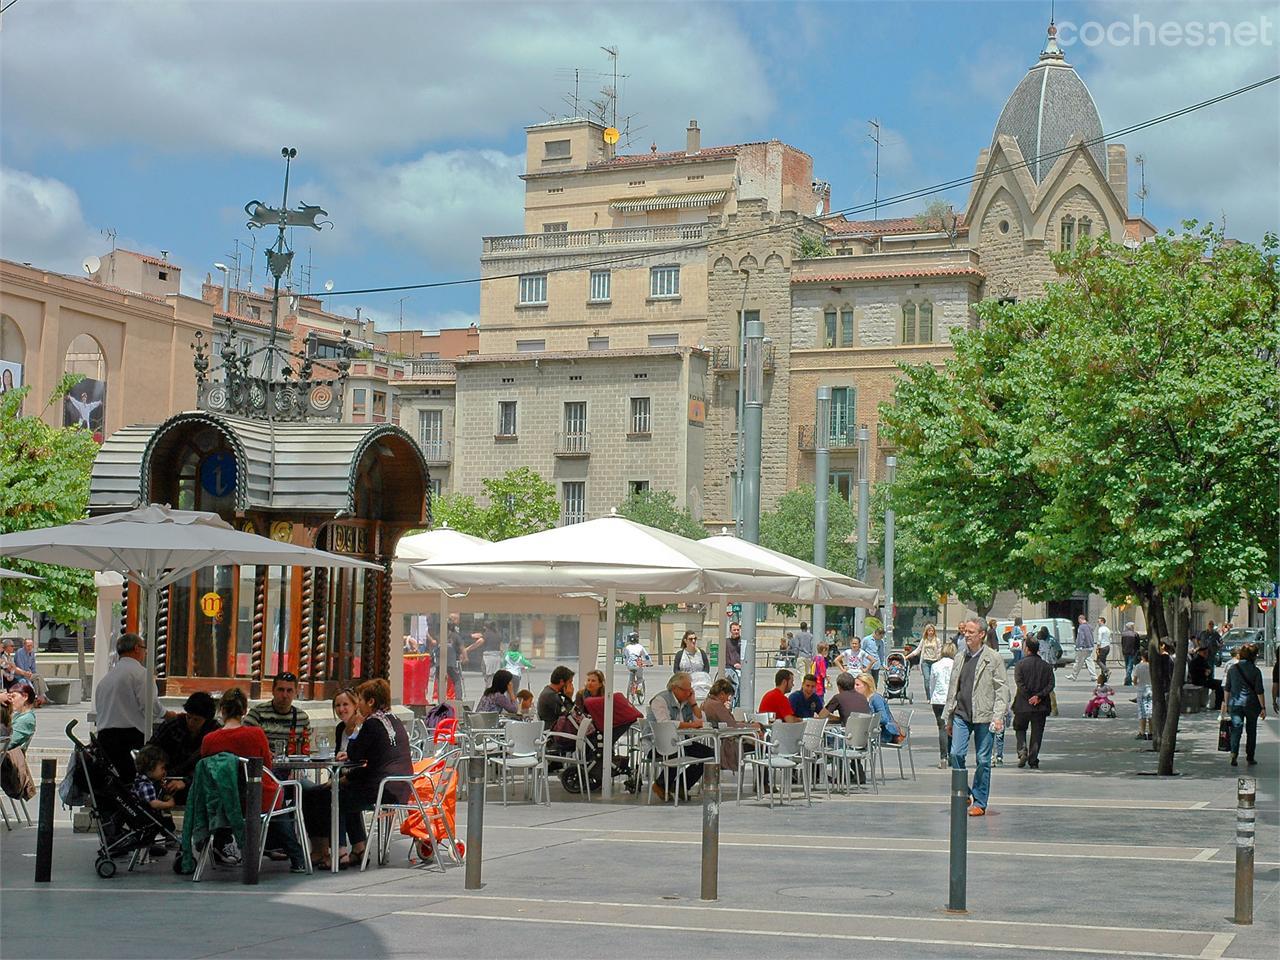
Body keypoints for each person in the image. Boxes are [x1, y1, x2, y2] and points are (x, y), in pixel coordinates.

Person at [304, 678, 412, 869]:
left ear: (370, 701)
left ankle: (339, 853)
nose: (358, 703)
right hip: (399, 786)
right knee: (346, 791)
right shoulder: (394, 719)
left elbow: (354, 752)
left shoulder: (371, 723)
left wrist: (358, 730)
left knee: (335, 797)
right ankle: (359, 848)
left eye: (360, 699)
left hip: (382, 789)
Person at [199, 687, 279, 868]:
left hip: (219, 803)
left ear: (222, 710)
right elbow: (267, 767)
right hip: (253, 801)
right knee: (288, 790)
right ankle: (287, 849)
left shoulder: (209, 740)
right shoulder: (256, 734)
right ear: (244, 711)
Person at [943, 617, 1010, 817]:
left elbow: (1002, 689)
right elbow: (953, 688)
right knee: (955, 754)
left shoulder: (993, 658)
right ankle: (965, 792)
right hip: (961, 714)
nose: (967, 635)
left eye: (971, 632)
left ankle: (980, 801)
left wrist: (998, 716)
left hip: (985, 715)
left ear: (981, 634)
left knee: (983, 760)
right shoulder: (959, 657)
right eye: (966, 631)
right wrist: (949, 718)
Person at [94, 633, 176, 779]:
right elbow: (150, 704)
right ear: (137, 648)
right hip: (130, 738)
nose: (145, 653)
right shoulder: (140, 674)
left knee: (115, 781)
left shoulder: (106, 679)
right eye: (144, 649)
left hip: (104, 738)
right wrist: (167, 714)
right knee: (132, 779)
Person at [645, 673, 711, 801]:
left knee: (708, 754)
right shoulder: (660, 700)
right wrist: (689, 725)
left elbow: (701, 720)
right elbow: (665, 723)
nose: (688, 693)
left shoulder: (687, 702)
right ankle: (660, 784)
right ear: (674, 688)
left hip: (681, 742)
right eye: (686, 690)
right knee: (678, 753)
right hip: (658, 744)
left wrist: (693, 704)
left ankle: (680, 785)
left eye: (690, 690)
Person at [147, 691, 219, 798]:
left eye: (196, 720)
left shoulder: (214, 733)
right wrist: (157, 770)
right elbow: (150, 750)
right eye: (188, 717)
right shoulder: (173, 725)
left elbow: (213, 766)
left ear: (207, 720)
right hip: (165, 780)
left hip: (198, 786)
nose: (191, 722)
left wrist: (186, 782)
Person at [1011, 636, 1054, 769]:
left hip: (1023, 705)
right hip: (1040, 706)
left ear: (1027, 649)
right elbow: (1051, 684)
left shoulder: (1020, 665)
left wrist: (1030, 696)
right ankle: (1033, 758)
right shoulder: (1046, 666)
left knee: (1019, 728)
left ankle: (1022, 751)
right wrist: (1039, 696)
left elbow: (1020, 683)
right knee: (1037, 732)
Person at [245, 672, 311, 756]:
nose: (284, 695)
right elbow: (245, 742)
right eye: (280, 690)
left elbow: (305, 749)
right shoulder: (257, 713)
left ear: (295, 692)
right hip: (264, 765)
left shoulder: (302, 718)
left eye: (289, 691)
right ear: (273, 691)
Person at [1222, 644, 1266, 767]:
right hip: (1252, 704)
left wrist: (1226, 704)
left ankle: (1233, 754)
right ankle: (1250, 757)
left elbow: (1227, 688)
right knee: (1251, 731)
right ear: (1253, 657)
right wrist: (1263, 707)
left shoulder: (1233, 669)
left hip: (1235, 704)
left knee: (1236, 729)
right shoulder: (1256, 671)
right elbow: (1259, 691)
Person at [700, 678, 754, 772]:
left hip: (717, 741)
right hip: (725, 743)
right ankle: (763, 782)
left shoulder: (707, 703)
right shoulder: (716, 706)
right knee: (761, 745)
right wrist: (751, 726)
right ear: (721, 694)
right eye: (728, 696)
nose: (728, 699)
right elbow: (732, 726)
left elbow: (728, 723)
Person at [131, 744, 178, 842]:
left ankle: (169, 835)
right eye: (162, 768)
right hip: (147, 817)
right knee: (165, 815)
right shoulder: (146, 785)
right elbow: (154, 803)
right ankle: (170, 835)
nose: (164, 771)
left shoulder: (140, 780)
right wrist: (168, 804)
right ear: (151, 768)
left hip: (142, 814)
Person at [929, 641, 957, 768]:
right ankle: (952, 755)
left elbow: (932, 684)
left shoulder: (935, 665)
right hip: (952, 699)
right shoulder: (956, 664)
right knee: (953, 727)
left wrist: (931, 696)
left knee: (942, 728)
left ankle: (943, 757)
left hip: (938, 699)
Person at [855, 672, 902, 742]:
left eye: (857, 685)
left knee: (853, 740)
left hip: (885, 734)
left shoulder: (876, 698)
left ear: (866, 686)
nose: (854, 687)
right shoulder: (864, 699)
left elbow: (884, 718)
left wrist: (868, 720)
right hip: (874, 732)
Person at [904, 623, 943, 695]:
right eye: (929, 631)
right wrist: (907, 656)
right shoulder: (924, 640)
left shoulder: (937, 640)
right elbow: (917, 650)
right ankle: (928, 696)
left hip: (935, 662)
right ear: (926, 632)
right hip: (925, 662)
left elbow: (939, 651)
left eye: (932, 630)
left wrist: (939, 660)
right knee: (927, 679)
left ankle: (933, 695)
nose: (931, 632)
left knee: (934, 680)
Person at [1187, 643, 1224, 710]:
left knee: (1220, 683)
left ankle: (1219, 704)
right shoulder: (1196, 660)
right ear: (1200, 652)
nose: (1206, 654)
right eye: (1204, 653)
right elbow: (1194, 671)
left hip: (1204, 679)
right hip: (1199, 680)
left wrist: (1208, 671)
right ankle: (1218, 705)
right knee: (1218, 685)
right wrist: (1204, 671)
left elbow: (1208, 669)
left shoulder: (1203, 659)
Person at [13, 638, 47, 702]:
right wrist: (27, 673)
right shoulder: (19, 652)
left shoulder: (32, 653)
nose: (30, 647)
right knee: (37, 677)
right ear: (24, 645)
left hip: (29, 674)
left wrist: (32, 673)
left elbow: (33, 668)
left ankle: (37, 698)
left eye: (31, 646)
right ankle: (41, 696)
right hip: (20, 675)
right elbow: (20, 667)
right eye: (28, 646)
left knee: (37, 678)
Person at [5, 683, 36, 751]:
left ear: (25, 697)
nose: (11, 700)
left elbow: (8, 743)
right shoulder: (20, 715)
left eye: (13, 697)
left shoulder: (25, 719)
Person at [331, 688, 362, 754]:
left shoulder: (364, 727)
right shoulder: (340, 728)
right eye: (338, 705)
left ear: (355, 706)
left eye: (345, 704)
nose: (341, 709)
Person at [1133, 650, 1153, 741]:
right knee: (1151, 711)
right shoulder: (1153, 666)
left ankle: (1142, 732)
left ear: (1142, 657)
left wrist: (1137, 684)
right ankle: (1152, 732)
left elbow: (1135, 680)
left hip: (1141, 690)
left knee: (1142, 711)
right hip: (1151, 689)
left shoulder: (1138, 666)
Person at [1069, 615, 1095, 681]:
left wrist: (1078, 646)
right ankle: (1093, 676)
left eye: (1078, 620)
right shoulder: (1089, 626)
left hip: (1083, 647)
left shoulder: (1081, 627)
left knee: (1078, 662)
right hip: (1090, 646)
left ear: (1080, 619)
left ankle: (1074, 676)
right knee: (1090, 661)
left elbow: (1081, 637)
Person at [723, 621, 743, 708]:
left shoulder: (742, 642)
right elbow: (725, 657)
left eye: (738, 630)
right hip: (730, 669)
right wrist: (733, 665)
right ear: (730, 631)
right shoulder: (726, 642)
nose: (736, 631)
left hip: (741, 670)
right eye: (734, 630)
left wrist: (741, 665)